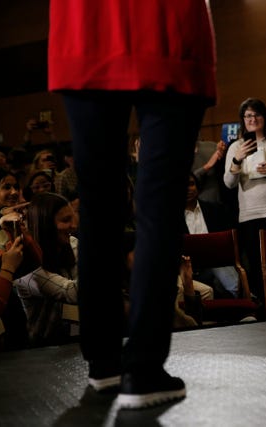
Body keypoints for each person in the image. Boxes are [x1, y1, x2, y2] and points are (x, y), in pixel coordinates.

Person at [48, 0, 216, 409]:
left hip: (85, 25)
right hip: (165, 24)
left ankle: (104, 360)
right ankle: (143, 368)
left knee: (98, 208)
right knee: (159, 208)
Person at [223, 97, 266, 302]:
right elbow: (228, 182)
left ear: (264, 116)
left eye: (257, 114)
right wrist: (237, 159)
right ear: (242, 120)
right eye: (248, 116)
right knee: (255, 263)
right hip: (250, 214)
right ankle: (262, 307)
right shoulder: (236, 146)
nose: (253, 119)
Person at [14, 192, 80, 347]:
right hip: (41, 350)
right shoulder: (26, 265)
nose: (74, 225)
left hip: (74, 341)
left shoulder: (72, 243)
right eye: (65, 220)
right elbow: (72, 292)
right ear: (46, 225)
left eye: (73, 217)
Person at [184, 172, 239, 299]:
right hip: (190, 268)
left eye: (191, 184)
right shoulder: (171, 219)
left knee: (229, 282)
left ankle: (241, 305)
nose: (188, 189)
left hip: (216, 261)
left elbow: (227, 241)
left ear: (197, 187)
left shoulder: (215, 210)